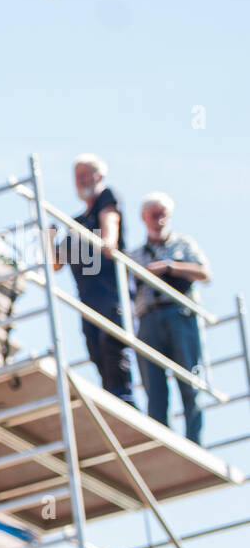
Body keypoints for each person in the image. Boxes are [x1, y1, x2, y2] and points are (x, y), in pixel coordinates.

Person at [53, 154, 137, 405]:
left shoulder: (107, 198)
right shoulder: (76, 223)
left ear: (99, 176)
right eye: (77, 176)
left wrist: (106, 239)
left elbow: (109, 238)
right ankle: (114, 403)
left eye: (85, 175)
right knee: (96, 351)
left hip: (111, 293)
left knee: (113, 348)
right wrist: (48, 237)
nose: (80, 181)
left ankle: (125, 403)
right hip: (89, 301)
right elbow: (56, 264)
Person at [129, 192, 211, 444]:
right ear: (144, 218)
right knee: (154, 389)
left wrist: (170, 267)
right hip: (149, 320)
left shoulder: (183, 245)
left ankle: (194, 443)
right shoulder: (135, 255)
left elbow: (204, 272)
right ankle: (162, 442)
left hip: (180, 316)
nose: (159, 220)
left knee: (190, 383)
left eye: (163, 214)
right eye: (154, 215)